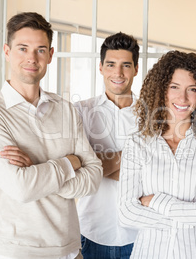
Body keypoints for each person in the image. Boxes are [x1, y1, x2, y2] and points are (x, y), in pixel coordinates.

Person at [0, 12, 103, 259]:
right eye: (23, 48)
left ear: (50, 55)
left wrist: (38, 171)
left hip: (71, 250)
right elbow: (22, 188)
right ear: (7, 51)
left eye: (40, 50)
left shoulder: (65, 108)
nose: (31, 58)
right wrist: (70, 163)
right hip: (17, 252)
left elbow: (93, 177)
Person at [118, 51, 196, 258]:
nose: (183, 98)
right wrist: (194, 217)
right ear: (161, 90)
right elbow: (127, 214)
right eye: (174, 87)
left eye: (193, 89)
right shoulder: (137, 143)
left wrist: (154, 201)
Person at [75, 32, 140, 259]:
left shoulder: (153, 115)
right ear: (101, 67)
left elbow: (158, 173)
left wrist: (96, 163)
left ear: (136, 69)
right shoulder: (80, 111)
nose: (118, 73)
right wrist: (136, 158)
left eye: (126, 65)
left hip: (140, 232)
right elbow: (77, 170)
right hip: (92, 229)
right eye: (111, 64)